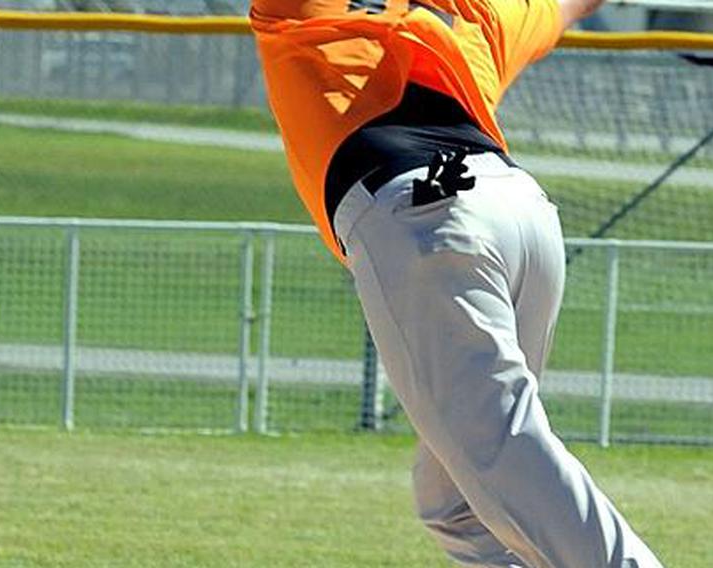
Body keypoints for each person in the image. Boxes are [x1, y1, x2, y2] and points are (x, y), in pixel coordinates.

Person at [250, 0, 664, 565]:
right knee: (456, 505)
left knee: (507, 458)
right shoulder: (469, 16)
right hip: (521, 212)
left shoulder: (298, 13)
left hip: (426, 220)